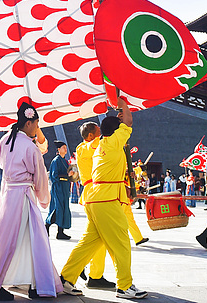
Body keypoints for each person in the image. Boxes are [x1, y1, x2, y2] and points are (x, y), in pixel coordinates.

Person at [60, 97, 148, 300]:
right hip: (106, 199)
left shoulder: (98, 146)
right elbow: (129, 122)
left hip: (95, 198)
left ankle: (66, 278)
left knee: (90, 242)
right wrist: (123, 104)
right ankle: (125, 286)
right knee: (121, 242)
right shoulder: (114, 141)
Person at [0, 102, 63, 301]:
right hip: (24, 197)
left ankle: (15, 281)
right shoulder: (30, 147)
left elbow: (1, 163)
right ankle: (36, 284)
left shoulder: (4, 139)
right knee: (34, 239)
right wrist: (44, 199)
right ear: (28, 123)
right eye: (36, 123)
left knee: (6, 240)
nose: (37, 127)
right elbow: (40, 177)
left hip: (9, 193)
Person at [73, 121, 116, 290]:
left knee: (98, 238)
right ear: (91, 136)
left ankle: (94, 274)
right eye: (99, 132)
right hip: (95, 193)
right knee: (98, 238)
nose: (102, 134)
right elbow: (101, 143)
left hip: (99, 192)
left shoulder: (92, 146)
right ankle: (84, 270)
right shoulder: (84, 148)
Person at [45, 140, 72, 240]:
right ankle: (46, 225)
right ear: (59, 149)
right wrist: (66, 175)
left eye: (65, 147)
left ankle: (60, 232)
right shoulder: (56, 161)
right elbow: (54, 176)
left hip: (64, 188)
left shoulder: (65, 161)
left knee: (64, 209)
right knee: (57, 209)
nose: (65, 149)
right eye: (63, 147)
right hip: (58, 188)